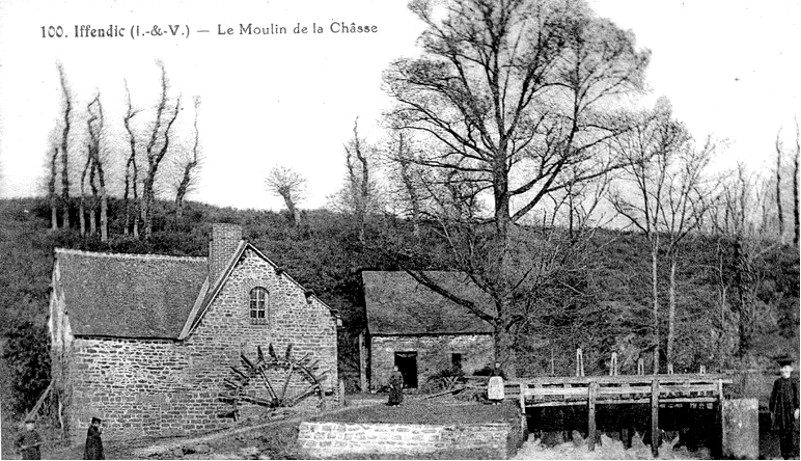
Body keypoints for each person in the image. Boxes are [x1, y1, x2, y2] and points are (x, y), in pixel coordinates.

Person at [769, 355, 799, 460]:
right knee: (782, 433)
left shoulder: (794, 382)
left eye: (786, 367)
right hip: (781, 412)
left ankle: (792, 455)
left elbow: (797, 396)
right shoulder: (777, 383)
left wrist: (797, 408)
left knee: (792, 433)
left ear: (791, 369)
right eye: (782, 368)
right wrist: (772, 411)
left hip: (791, 412)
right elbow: (773, 398)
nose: (784, 370)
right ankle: (784, 454)